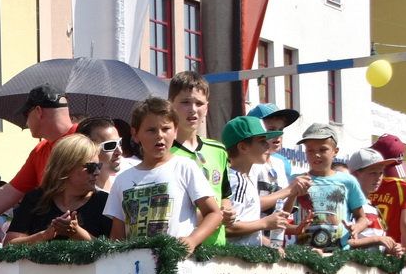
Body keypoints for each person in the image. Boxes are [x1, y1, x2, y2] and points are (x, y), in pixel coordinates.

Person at [104, 96, 222, 255]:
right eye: (151, 130)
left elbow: (214, 213)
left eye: (166, 129)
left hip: (177, 267)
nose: (159, 135)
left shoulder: (185, 167)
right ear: (135, 134)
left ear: (175, 132)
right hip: (134, 270)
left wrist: (192, 240)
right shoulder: (122, 180)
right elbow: (117, 238)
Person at [0, 85, 77, 217]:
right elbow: (9, 192)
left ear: (38, 111)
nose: (27, 123)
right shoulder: (40, 150)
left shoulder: (87, 137)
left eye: (26, 115)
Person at [4, 134, 110, 244]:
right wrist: (44, 235)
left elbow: (113, 252)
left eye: (99, 166)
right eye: (91, 167)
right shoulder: (36, 199)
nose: (97, 172)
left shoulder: (105, 202)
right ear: (67, 167)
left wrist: (77, 233)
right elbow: (9, 244)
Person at [167, 71, 228, 247]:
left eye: (199, 103)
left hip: (217, 245)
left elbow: (225, 193)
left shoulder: (218, 150)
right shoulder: (165, 153)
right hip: (182, 244)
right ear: (170, 105)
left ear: (207, 108)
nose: (193, 109)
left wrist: (227, 209)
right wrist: (208, 216)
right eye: (185, 102)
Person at [291, 123, 367, 254]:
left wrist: (356, 228)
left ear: (335, 151)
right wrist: (296, 228)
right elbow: (282, 217)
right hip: (303, 254)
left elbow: (362, 218)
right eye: (310, 150)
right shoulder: (296, 180)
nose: (317, 155)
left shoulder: (348, 181)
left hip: (340, 253)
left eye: (322, 150)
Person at [218, 116, 290, 248]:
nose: (267, 145)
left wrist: (264, 241)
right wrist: (265, 223)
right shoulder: (236, 180)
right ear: (243, 147)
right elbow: (228, 228)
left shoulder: (245, 178)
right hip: (234, 262)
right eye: (262, 141)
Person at [246, 103, 306, 248]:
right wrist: (288, 191)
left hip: (273, 242)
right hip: (250, 241)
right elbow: (250, 206)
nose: (278, 135)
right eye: (271, 130)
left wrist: (294, 193)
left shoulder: (279, 164)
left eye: (281, 130)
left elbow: (283, 212)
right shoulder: (250, 164)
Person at [347, 148, 406, 265]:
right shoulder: (347, 205)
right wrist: (377, 240)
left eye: (380, 173)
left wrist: (392, 249)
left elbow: (378, 246)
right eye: (373, 172)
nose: (378, 178)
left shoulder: (373, 207)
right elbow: (344, 243)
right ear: (355, 174)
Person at [77, 116, 127, 191]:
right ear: (87, 150)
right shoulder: (81, 195)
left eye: (120, 142)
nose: (119, 151)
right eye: (110, 145)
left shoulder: (123, 184)